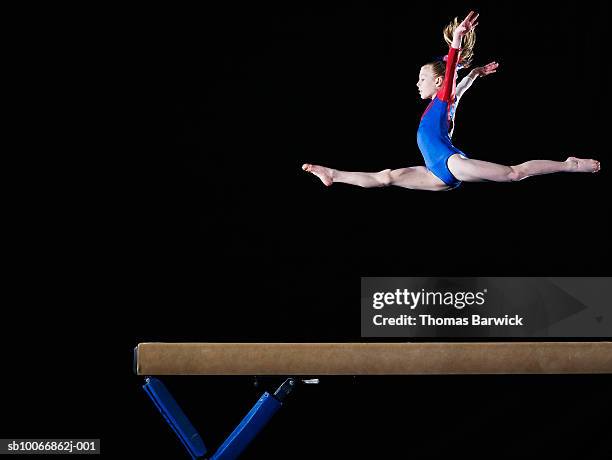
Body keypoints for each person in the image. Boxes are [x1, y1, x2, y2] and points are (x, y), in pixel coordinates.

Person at [302, 11, 600, 191]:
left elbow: (454, 82)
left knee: (513, 174)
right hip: (434, 172)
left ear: (438, 83)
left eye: (421, 78)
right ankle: (333, 174)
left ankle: (569, 165)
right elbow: (460, 89)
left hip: (450, 163)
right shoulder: (443, 105)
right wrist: (476, 74)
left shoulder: (442, 100)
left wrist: (457, 39)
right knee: (386, 178)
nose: (417, 84)